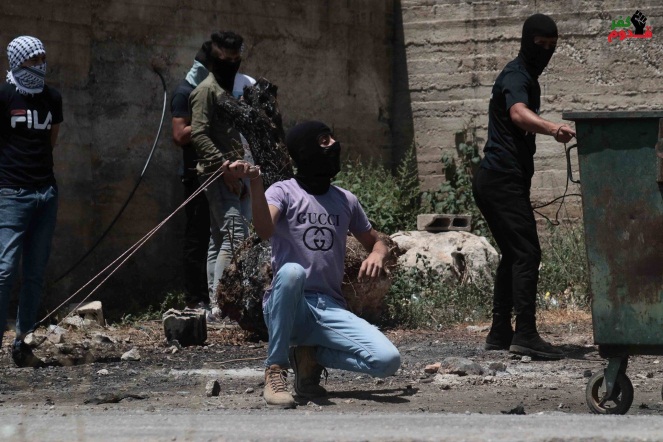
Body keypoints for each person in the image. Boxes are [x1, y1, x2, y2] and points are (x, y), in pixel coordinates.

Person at [228, 121, 401, 408]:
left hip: (330, 308)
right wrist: (256, 182)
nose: (334, 145)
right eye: (324, 140)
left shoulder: (346, 200)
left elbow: (378, 240)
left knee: (387, 361)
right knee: (293, 272)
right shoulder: (283, 191)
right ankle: (275, 370)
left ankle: (310, 356)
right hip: (289, 306)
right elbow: (264, 229)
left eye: (333, 138)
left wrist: (378, 253)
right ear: (306, 150)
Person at [472, 14, 575, 359]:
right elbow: (517, 113)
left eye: (552, 46)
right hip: (501, 179)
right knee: (528, 252)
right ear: (526, 41)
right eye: (540, 45)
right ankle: (525, 333)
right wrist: (551, 128)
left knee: (513, 254)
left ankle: (501, 331)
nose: (545, 51)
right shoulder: (517, 75)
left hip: (496, 179)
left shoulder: (526, 75)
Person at [0, 36, 62, 367]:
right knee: (5, 270)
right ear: (17, 61)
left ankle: (22, 343)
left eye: (42, 57)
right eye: (33, 59)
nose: (40, 64)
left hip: (46, 193)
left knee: (34, 273)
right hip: (11, 193)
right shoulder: (4, 95)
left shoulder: (52, 97)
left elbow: (51, 141)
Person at [186, 33, 254, 318]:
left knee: (219, 238)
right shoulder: (205, 90)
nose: (231, 65)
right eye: (226, 60)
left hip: (236, 172)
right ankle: (224, 304)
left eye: (236, 60)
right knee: (235, 235)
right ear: (214, 59)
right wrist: (224, 165)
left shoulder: (227, 90)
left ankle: (215, 306)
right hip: (218, 173)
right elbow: (198, 134)